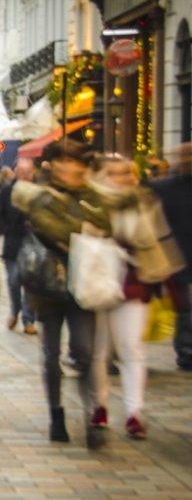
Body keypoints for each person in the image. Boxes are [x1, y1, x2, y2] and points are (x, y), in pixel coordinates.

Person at [12, 140, 111, 448]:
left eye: (76, 162)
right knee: (51, 355)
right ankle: (56, 414)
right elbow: (50, 228)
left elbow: (106, 224)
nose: (71, 168)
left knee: (84, 351)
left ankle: (92, 416)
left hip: (84, 285)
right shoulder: (40, 195)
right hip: (48, 285)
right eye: (64, 162)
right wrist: (82, 228)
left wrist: (77, 227)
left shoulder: (93, 195)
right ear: (51, 164)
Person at [89, 154, 183, 440]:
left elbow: (158, 243)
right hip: (95, 284)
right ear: (102, 176)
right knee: (98, 351)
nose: (122, 179)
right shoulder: (91, 202)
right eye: (114, 173)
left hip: (133, 283)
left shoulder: (144, 202)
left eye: (126, 173)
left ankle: (134, 413)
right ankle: (99, 405)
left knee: (132, 348)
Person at [151, 143, 192, 370]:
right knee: (185, 308)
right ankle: (186, 350)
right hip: (176, 256)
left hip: (181, 254)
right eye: (185, 156)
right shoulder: (165, 187)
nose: (187, 160)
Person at [0, 159, 37, 334]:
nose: (25, 175)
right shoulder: (6, 191)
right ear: (16, 172)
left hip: (32, 244)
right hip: (12, 244)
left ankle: (28, 319)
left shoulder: (38, 192)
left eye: (28, 171)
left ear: (33, 172)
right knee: (13, 281)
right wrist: (4, 230)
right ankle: (15, 310)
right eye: (21, 171)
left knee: (30, 283)